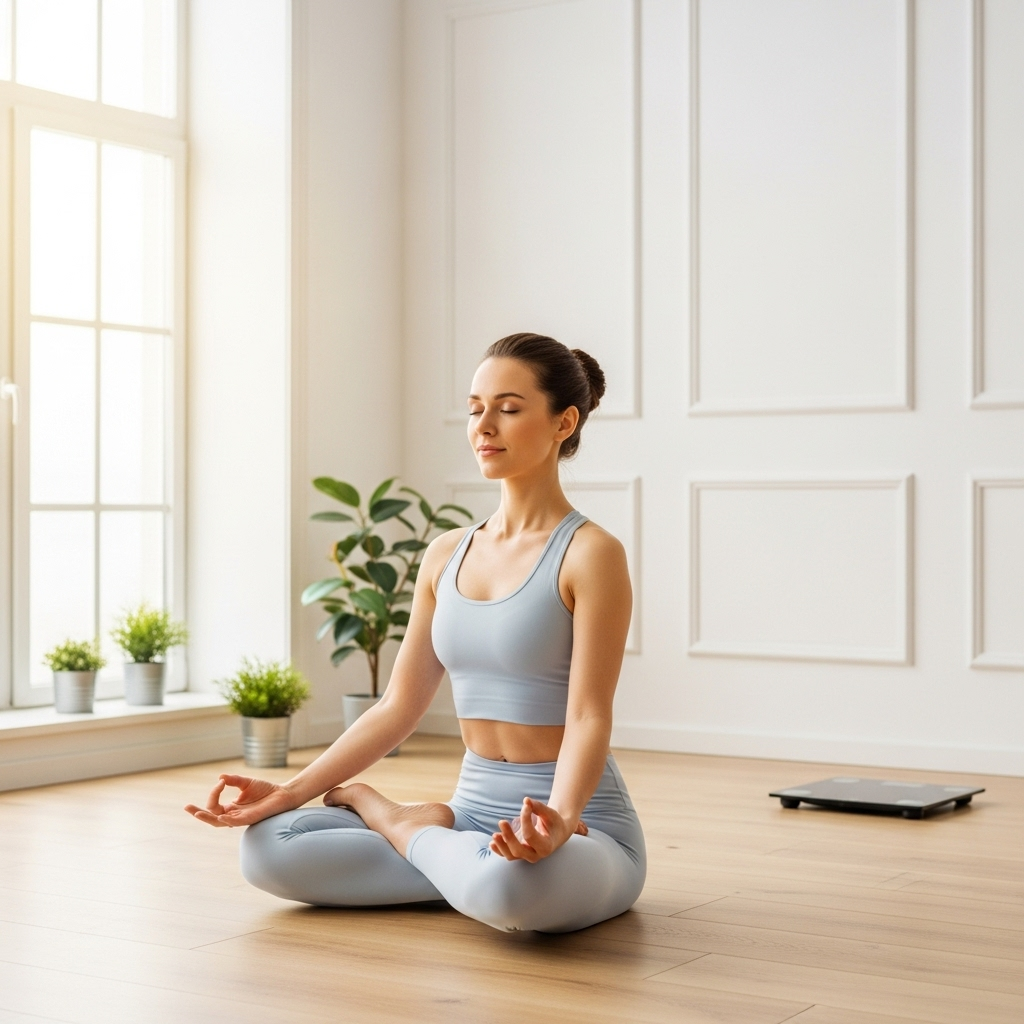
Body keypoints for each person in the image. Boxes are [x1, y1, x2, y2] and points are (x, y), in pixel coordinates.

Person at [185, 332, 645, 933]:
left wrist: (559, 817)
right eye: (476, 407)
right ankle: (453, 859)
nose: (484, 425)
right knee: (271, 848)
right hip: (472, 812)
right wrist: (289, 793)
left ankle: (399, 823)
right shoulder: (446, 554)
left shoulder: (591, 553)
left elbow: (589, 717)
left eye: (508, 409)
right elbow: (398, 706)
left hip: (581, 823)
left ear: (564, 422)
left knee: (515, 891)